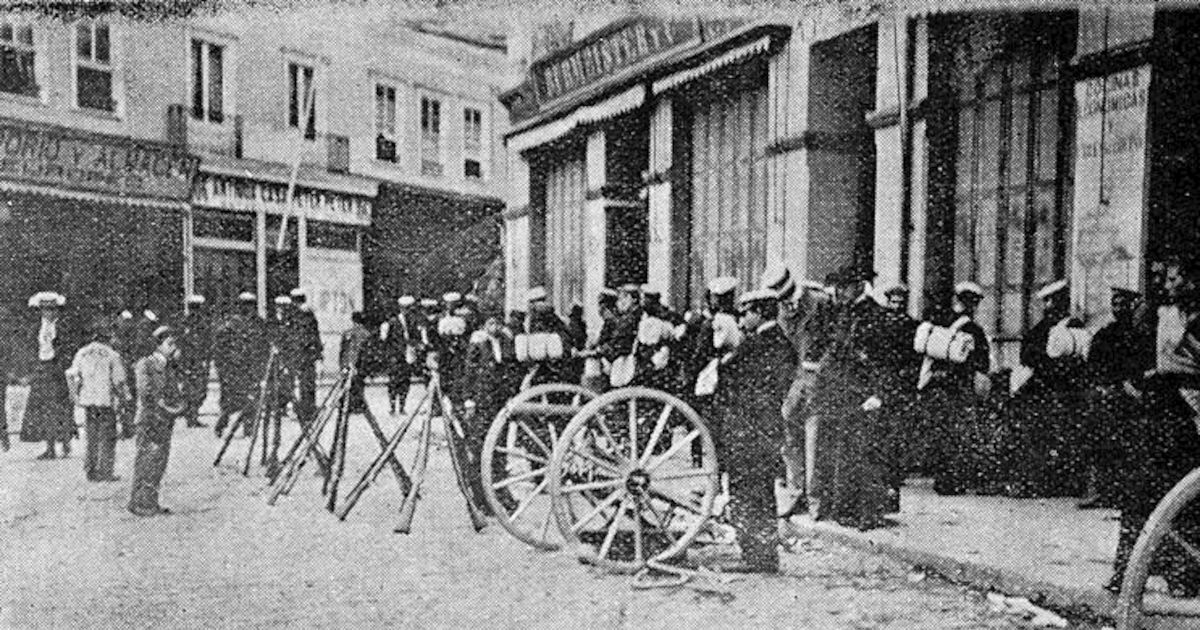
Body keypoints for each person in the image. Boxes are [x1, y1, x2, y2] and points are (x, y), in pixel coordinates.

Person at [1111, 258, 1200, 596]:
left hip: (1187, 406)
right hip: (1163, 404)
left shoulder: (1191, 318)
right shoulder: (1160, 314)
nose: (1166, 284)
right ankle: (1128, 570)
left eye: (1173, 278)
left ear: (1191, 282)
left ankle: (1183, 575)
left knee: (1180, 493)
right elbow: (1146, 355)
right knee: (1142, 487)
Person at [810, 267, 906, 530]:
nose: (839, 292)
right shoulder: (845, 312)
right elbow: (837, 350)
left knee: (867, 454)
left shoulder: (877, 315)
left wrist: (880, 394)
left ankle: (869, 514)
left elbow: (888, 361)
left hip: (866, 394)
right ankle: (847, 510)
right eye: (838, 288)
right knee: (847, 453)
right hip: (845, 392)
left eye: (844, 287)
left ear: (859, 286)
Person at [712, 287, 797, 573]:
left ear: (760, 312)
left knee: (752, 492)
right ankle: (756, 553)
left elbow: (751, 386)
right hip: (753, 428)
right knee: (752, 490)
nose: (741, 318)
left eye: (746, 312)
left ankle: (758, 556)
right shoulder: (771, 342)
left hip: (753, 430)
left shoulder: (764, 344)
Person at [1007, 279, 1089, 497]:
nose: (1048, 306)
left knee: (1059, 436)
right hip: (1041, 389)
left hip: (1064, 390)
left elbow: (1077, 359)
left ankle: (1059, 482)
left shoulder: (1072, 327)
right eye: (1046, 301)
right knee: (1037, 437)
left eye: (1052, 301)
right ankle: (1035, 481)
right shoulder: (1042, 328)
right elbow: (1028, 354)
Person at [1077, 287, 1151, 509]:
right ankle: (1098, 490)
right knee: (1099, 443)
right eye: (1114, 304)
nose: (1118, 309)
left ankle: (1123, 491)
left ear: (1132, 306)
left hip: (1131, 395)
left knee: (1127, 445)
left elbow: (1143, 365)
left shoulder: (1141, 334)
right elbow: (1093, 366)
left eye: (1123, 304)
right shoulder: (1105, 334)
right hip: (1106, 394)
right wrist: (1104, 386)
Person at [918, 282, 991, 496]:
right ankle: (953, 480)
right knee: (959, 434)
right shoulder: (973, 329)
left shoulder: (940, 322)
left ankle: (942, 478)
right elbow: (982, 362)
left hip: (937, 384)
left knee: (941, 431)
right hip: (959, 387)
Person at [462, 314, 519, 513]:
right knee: (480, 450)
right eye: (490, 323)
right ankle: (480, 499)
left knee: (499, 449)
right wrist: (469, 400)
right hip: (482, 402)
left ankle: (502, 495)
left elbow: (511, 369)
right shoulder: (477, 343)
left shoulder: (504, 342)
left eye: (497, 323)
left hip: (498, 403)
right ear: (484, 325)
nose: (494, 327)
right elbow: (469, 372)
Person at [128, 325, 185, 517]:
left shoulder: (169, 366)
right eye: (169, 343)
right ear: (158, 345)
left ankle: (150, 501)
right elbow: (146, 393)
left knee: (159, 462)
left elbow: (175, 392)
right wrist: (166, 407)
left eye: (174, 343)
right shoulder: (146, 364)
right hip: (149, 420)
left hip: (164, 421)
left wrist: (177, 406)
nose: (173, 347)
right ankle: (140, 503)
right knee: (147, 461)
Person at [66, 317, 130, 481]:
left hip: (88, 401)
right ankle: (105, 471)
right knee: (107, 437)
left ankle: (91, 470)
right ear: (107, 336)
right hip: (105, 401)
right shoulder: (112, 354)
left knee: (91, 436)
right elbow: (119, 380)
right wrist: (124, 399)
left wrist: (74, 395)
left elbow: (71, 374)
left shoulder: (82, 352)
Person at [21, 291, 76, 460]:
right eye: (45, 309)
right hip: (42, 369)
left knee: (60, 407)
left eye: (52, 309)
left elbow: (68, 349)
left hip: (58, 369)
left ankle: (64, 441)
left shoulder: (63, 326)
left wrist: (63, 366)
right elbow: (31, 348)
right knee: (44, 409)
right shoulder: (37, 327)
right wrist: (31, 369)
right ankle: (50, 446)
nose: (49, 313)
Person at [213, 292, 271, 438]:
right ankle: (222, 424)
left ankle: (249, 429)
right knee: (232, 400)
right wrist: (224, 368)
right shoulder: (230, 324)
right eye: (246, 305)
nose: (249, 308)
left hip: (252, 367)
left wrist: (263, 366)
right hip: (235, 368)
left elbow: (265, 346)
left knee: (252, 399)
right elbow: (220, 349)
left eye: (251, 305)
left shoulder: (259, 323)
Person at [287, 287, 324, 426]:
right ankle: (307, 409)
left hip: (300, 355)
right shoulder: (309, 315)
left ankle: (304, 410)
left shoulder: (297, 315)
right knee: (307, 384)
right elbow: (316, 336)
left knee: (302, 384)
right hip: (307, 355)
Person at [178, 294, 212, 429]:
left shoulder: (201, 323)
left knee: (199, 390)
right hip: (191, 361)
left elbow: (207, 342)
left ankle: (192, 415)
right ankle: (191, 416)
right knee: (193, 389)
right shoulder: (187, 323)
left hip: (198, 361)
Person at [383, 295, 417, 414]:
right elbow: (385, 339)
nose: (407, 311)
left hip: (407, 355)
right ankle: (392, 407)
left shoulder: (413, 321)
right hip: (395, 355)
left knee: (405, 381)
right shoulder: (393, 322)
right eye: (405, 308)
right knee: (393, 381)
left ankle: (402, 406)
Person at [339, 311, 374, 416]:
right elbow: (367, 353)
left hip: (347, 362)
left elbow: (342, 350)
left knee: (346, 384)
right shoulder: (366, 334)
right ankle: (357, 406)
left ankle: (346, 405)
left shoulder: (347, 332)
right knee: (358, 384)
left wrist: (342, 364)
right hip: (359, 363)